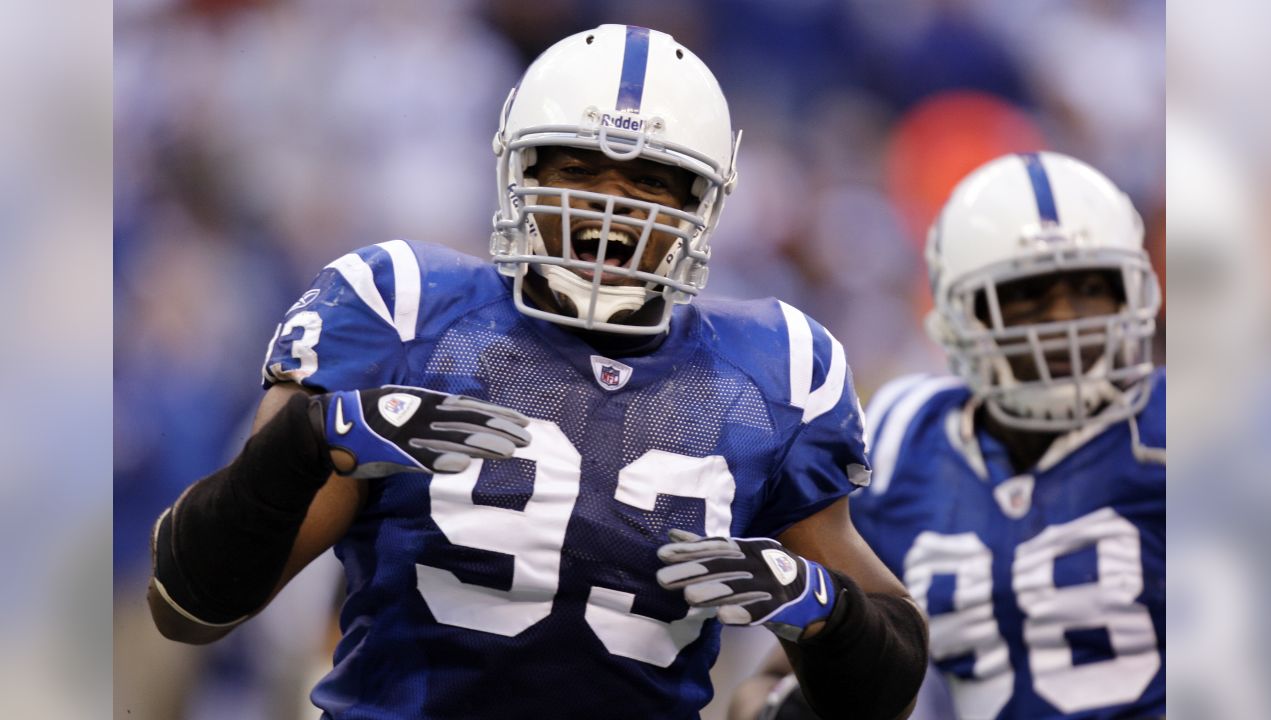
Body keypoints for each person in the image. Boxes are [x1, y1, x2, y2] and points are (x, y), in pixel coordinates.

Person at [147, 25, 927, 720]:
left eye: (651, 181)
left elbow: (886, 681)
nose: (610, 208)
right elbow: (194, 602)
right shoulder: (405, 312)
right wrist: (312, 440)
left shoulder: (774, 369)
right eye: (580, 168)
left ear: (706, 202)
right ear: (520, 168)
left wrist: (823, 610)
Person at [732, 151, 1165, 720]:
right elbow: (766, 685)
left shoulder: (1185, 430)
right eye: (1029, 294)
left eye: (1092, 287)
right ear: (963, 315)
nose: (1066, 320)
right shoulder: (903, 438)